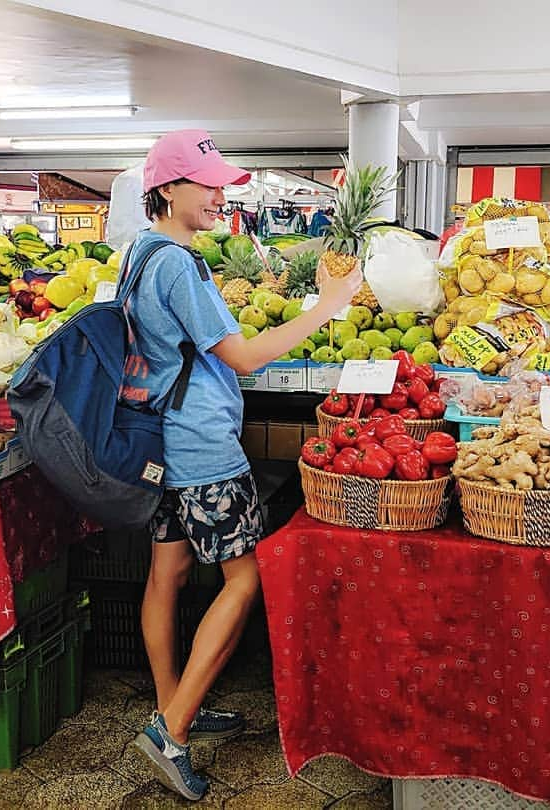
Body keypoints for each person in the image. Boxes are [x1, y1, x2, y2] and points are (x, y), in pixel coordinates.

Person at [126, 129, 362, 802]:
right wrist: (326, 306)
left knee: (166, 573)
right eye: (208, 185)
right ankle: (170, 731)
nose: (219, 196)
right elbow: (244, 358)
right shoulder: (179, 264)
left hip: (160, 442)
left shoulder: (140, 254)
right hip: (202, 447)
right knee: (244, 579)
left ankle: (175, 707)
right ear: (169, 189)